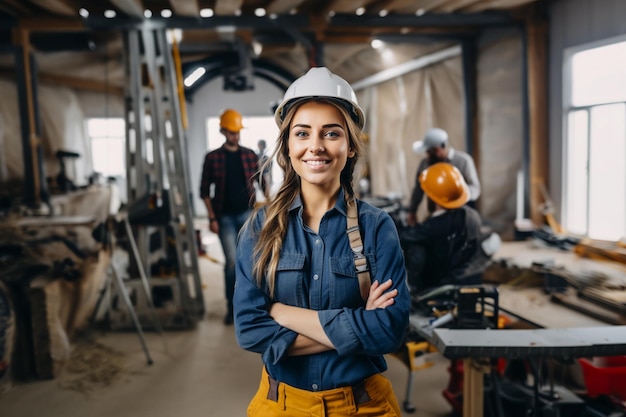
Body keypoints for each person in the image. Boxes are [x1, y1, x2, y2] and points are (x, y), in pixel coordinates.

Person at [233, 67, 410, 417]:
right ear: (288, 145)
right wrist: (359, 323)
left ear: (350, 146)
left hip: (362, 405)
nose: (316, 146)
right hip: (279, 404)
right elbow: (250, 331)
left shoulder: (377, 228)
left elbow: (390, 331)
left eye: (331, 133)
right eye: (303, 133)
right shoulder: (259, 229)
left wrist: (281, 313)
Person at [199, 108, 261, 325]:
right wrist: (211, 218)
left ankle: (252, 306)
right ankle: (232, 308)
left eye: (238, 132)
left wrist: (270, 204)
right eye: (232, 132)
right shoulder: (212, 158)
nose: (236, 136)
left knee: (251, 261)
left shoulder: (249, 154)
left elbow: (260, 180)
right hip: (223, 217)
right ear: (223, 131)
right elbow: (204, 190)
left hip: (246, 214)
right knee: (232, 263)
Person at [400, 162, 499, 294]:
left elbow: (405, 236)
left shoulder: (433, 226)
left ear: (433, 198)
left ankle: (416, 293)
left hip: (440, 286)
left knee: (413, 247)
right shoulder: (473, 215)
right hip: (468, 279)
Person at [407, 127, 481, 226]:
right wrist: (412, 211)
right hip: (437, 217)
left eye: (429, 152)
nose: (427, 155)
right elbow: (418, 190)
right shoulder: (425, 164)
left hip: (462, 217)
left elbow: (475, 188)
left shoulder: (463, 161)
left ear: (437, 149)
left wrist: (457, 196)